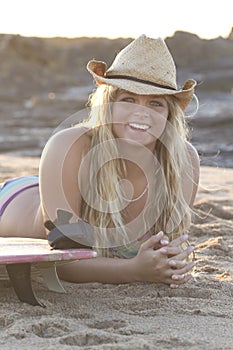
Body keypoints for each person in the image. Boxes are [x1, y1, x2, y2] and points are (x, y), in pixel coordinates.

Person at [0, 35, 199, 289]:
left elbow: (168, 252)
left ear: (169, 114)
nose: (142, 112)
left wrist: (170, 262)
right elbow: (63, 262)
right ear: (109, 104)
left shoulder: (183, 161)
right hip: (13, 201)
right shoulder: (69, 146)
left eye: (155, 103)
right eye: (128, 99)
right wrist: (134, 270)